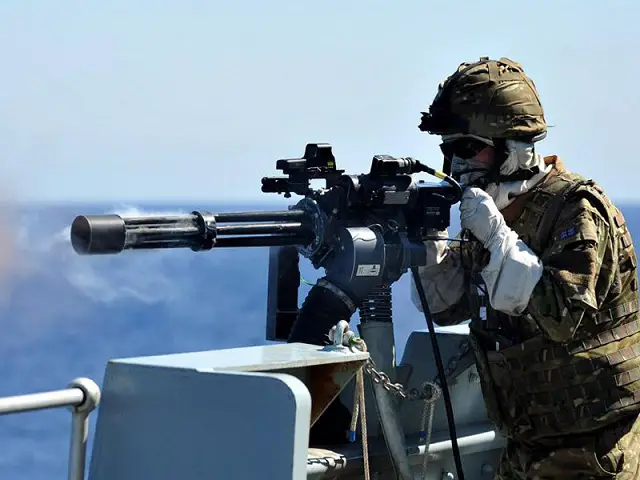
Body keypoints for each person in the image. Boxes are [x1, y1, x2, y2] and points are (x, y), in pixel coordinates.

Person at [412, 56, 640, 478]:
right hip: (527, 452)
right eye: (448, 150)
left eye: (467, 148)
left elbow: (562, 315)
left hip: (595, 453)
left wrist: (498, 239)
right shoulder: (498, 216)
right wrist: (427, 245)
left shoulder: (575, 209)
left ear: (512, 148)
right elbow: (446, 307)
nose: (455, 165)